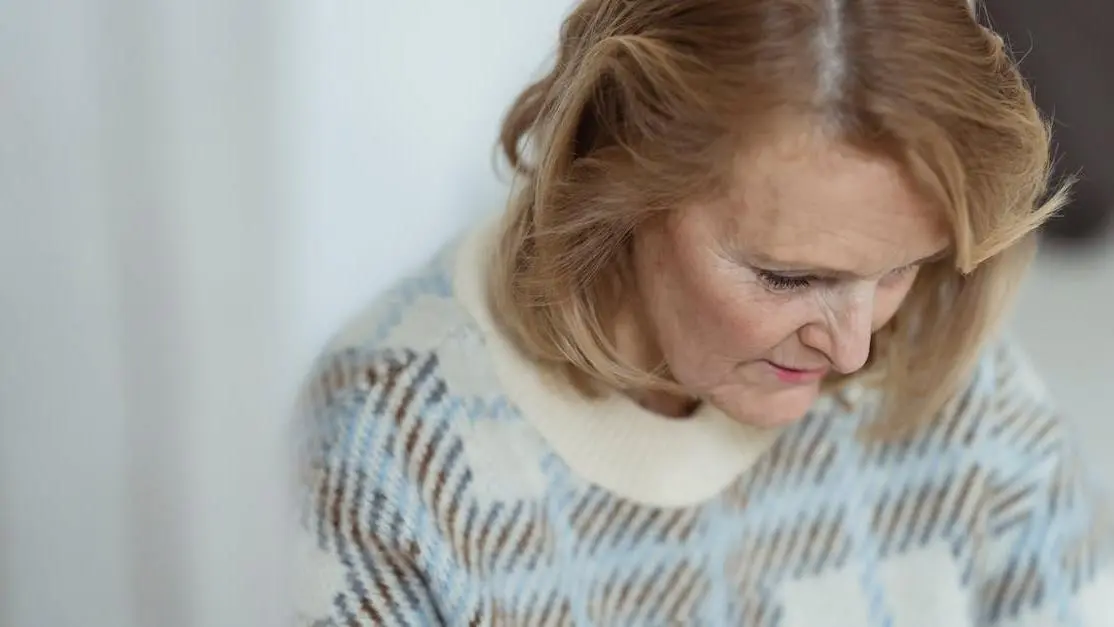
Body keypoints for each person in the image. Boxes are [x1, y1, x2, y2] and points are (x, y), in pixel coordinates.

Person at [293, 0, 1113, 624]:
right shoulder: (390, 448)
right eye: (789, 277)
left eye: (901, 268)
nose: (858, 350)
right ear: (620, 170)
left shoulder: (954, 380)